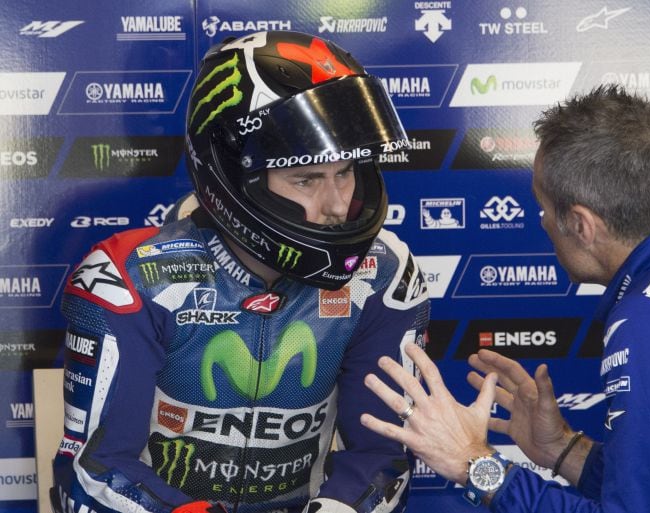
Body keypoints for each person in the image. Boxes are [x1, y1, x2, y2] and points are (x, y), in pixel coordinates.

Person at [52, 30, 429, 513]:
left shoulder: (383, 276)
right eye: (306, 177)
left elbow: (382, 453)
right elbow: (95, 467)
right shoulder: (130, 279)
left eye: (346, 171)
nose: (337, 204)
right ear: (234, 173)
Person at [360, 85, 650, 512]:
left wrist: (473, 464)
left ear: (581, 224)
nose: (541, 223)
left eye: (542, 207)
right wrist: (560, 447)